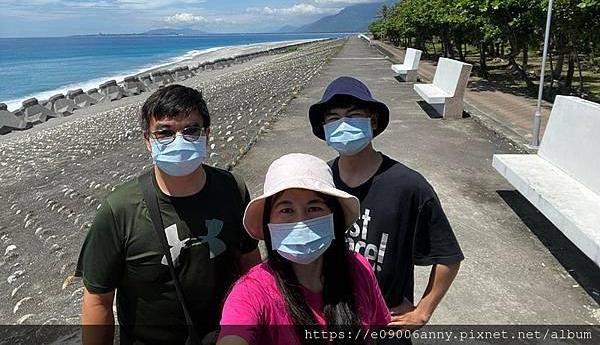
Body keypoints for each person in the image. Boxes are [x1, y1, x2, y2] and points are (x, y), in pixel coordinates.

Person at [75, 84, 261, 345]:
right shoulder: (119, 209)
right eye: (165, 132)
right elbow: (97, 299)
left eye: (191, 130)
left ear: (207, 134)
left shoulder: (233, 189)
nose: (179, 140)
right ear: (148, 141)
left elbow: (249, 265)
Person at [308, 76, 464, 330]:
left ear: (373, 121)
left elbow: (447, 256)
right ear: (325, 128)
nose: (343, 124)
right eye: (334, 118)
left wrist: (423, 311)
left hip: (384, 323)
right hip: (330, 318)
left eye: (354, 114)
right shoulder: (319, 181)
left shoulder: (408, 186)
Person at [217, 153, 391, 345]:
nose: (302, 221)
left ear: (334, 217)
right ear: (268, 224)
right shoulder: (251, 292)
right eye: (286, 210)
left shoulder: (358, 267)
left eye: (314, 208)